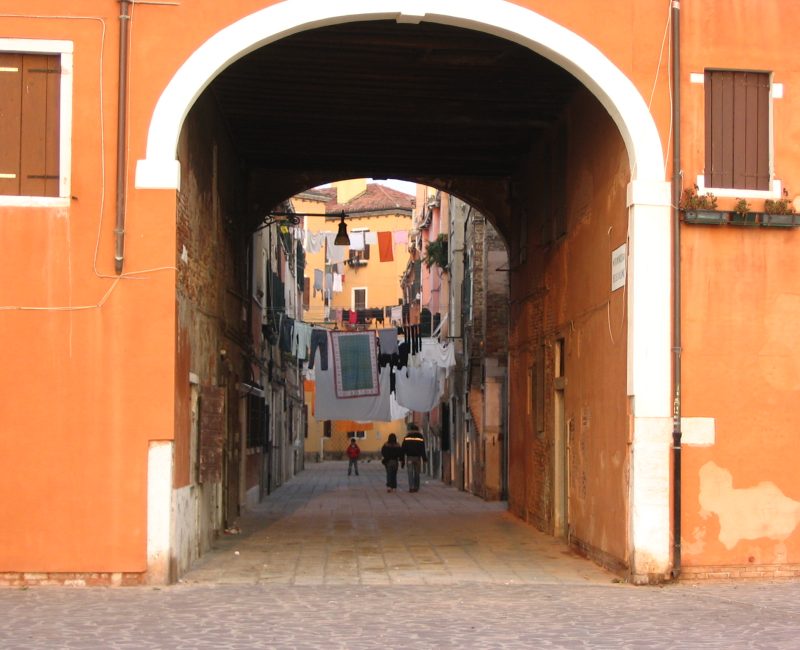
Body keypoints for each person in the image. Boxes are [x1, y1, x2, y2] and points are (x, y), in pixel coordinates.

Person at [401, 424, 427, 492]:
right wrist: (424, 458)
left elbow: (403, 449)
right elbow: (422, 449)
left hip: (409, 457)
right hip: (417, 458)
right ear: (417, 430)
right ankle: (416, 487)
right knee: (417, 473)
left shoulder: (407, 437)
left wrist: (402, 459)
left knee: (410, 473)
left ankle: (411, 487)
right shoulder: (420, 437)